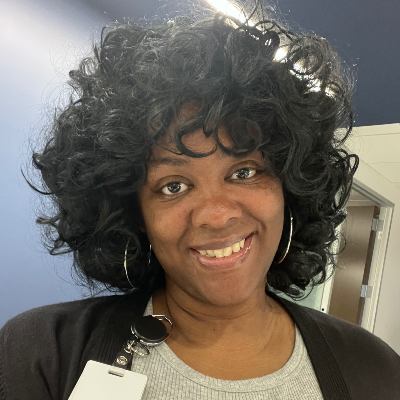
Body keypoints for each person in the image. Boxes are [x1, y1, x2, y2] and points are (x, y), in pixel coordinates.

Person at [1, 4, 399, 400]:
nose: (217, 215)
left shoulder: (374, 369)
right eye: (173, 185)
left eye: (244, 171)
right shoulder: (42, 353)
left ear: (289, 186)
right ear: (134, 213)